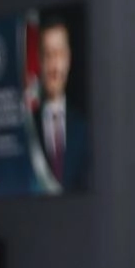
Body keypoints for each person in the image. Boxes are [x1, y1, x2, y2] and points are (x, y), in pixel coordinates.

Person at [31, 18, 89, 190]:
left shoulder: (85, 127)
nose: (55, 66)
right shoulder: (28, 127)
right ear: (39, 61)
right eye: (48, 55)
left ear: (68, 58)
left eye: (60, 54)